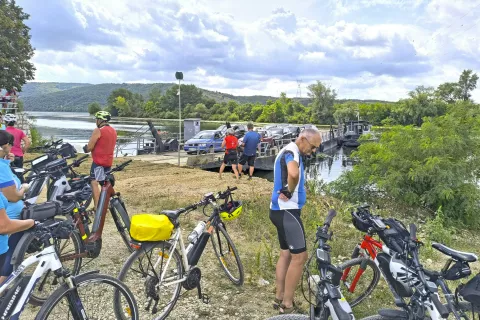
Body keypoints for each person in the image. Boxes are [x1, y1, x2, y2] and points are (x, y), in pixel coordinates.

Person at [269, 128, 321, 314]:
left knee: (286, 254)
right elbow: (293, 173)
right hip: (287, 212)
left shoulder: (288, 150)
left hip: (278, 211)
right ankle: (288, 304)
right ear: (302, 139)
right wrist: (290, 191)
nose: (313, 151)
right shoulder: (292, 152)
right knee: (300, 257)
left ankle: (279, 296)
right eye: (313, 147)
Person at [0, 130, 34, 284]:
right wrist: (24, 190)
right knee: (11, 251)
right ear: (5, 146)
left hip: (9, 216)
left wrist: (7, 161)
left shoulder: (3, 165)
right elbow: (12, 196)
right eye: (9, 145)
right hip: (10, 218)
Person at [83, 111, 117, 209]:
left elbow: (89, 147)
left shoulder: (98, 130)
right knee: (104, 183)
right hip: (108, 162)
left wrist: (85, 148)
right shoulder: (113, 131)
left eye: (96, 119)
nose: (96, 122)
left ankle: (98, 207)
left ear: (100, 120)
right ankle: (106, 204)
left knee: (94, 182)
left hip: (99, 162)